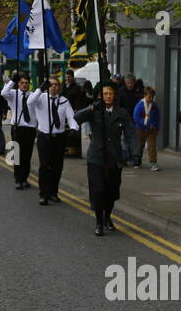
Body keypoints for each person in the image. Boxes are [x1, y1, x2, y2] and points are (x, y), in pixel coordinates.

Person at [75, 84, 135, 236]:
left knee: (112, 192)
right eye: (105, 94)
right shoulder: (95, 110)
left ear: (115, 95)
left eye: (110, 93)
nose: (108, 96)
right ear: (99, 96)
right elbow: (76, 118)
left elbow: (131, 134)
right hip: (96, 158)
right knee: (98, 191)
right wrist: (91, 108)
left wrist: (135, 153)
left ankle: (107, 217)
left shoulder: (121, 113)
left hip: (114, 158)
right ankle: (98, 222)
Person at [30, 77, 78, 205]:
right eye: (51, 85)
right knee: (44, 166)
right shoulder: (41, 98)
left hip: (59, 137)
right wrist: (40, 89)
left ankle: (53, 192)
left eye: (56, 85)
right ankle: (43, 193)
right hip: (44, 137)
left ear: (60, 87)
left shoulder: (64, 101)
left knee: (57, 167)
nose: (54, 87)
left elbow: (71, 117)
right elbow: (29, 102)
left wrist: (74, 128)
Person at [2, 73, 36, 189]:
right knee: (17, 154)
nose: (24, 85)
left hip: (30, 128)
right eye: (22, 82)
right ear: (19, 83)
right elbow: (3, 93)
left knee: (27, 155)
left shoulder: (32, 95)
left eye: (26, 83)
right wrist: (12, 81)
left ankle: (25, 178)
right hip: (17, 128)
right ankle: (18, 179)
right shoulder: (13, 94)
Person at [133, 86, 161, 171]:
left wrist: (156, 126)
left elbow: (157, 117)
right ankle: (137, 161)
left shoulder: (154, 106)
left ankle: (153, 163)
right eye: (149, 97)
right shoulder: (140, 105)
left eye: (153, 97)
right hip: (140, 129)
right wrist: (143, 122)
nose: (151, 98)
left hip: (152, 129)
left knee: (152, 146)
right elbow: (136, 117)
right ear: (144, 96)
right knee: (139, 145)